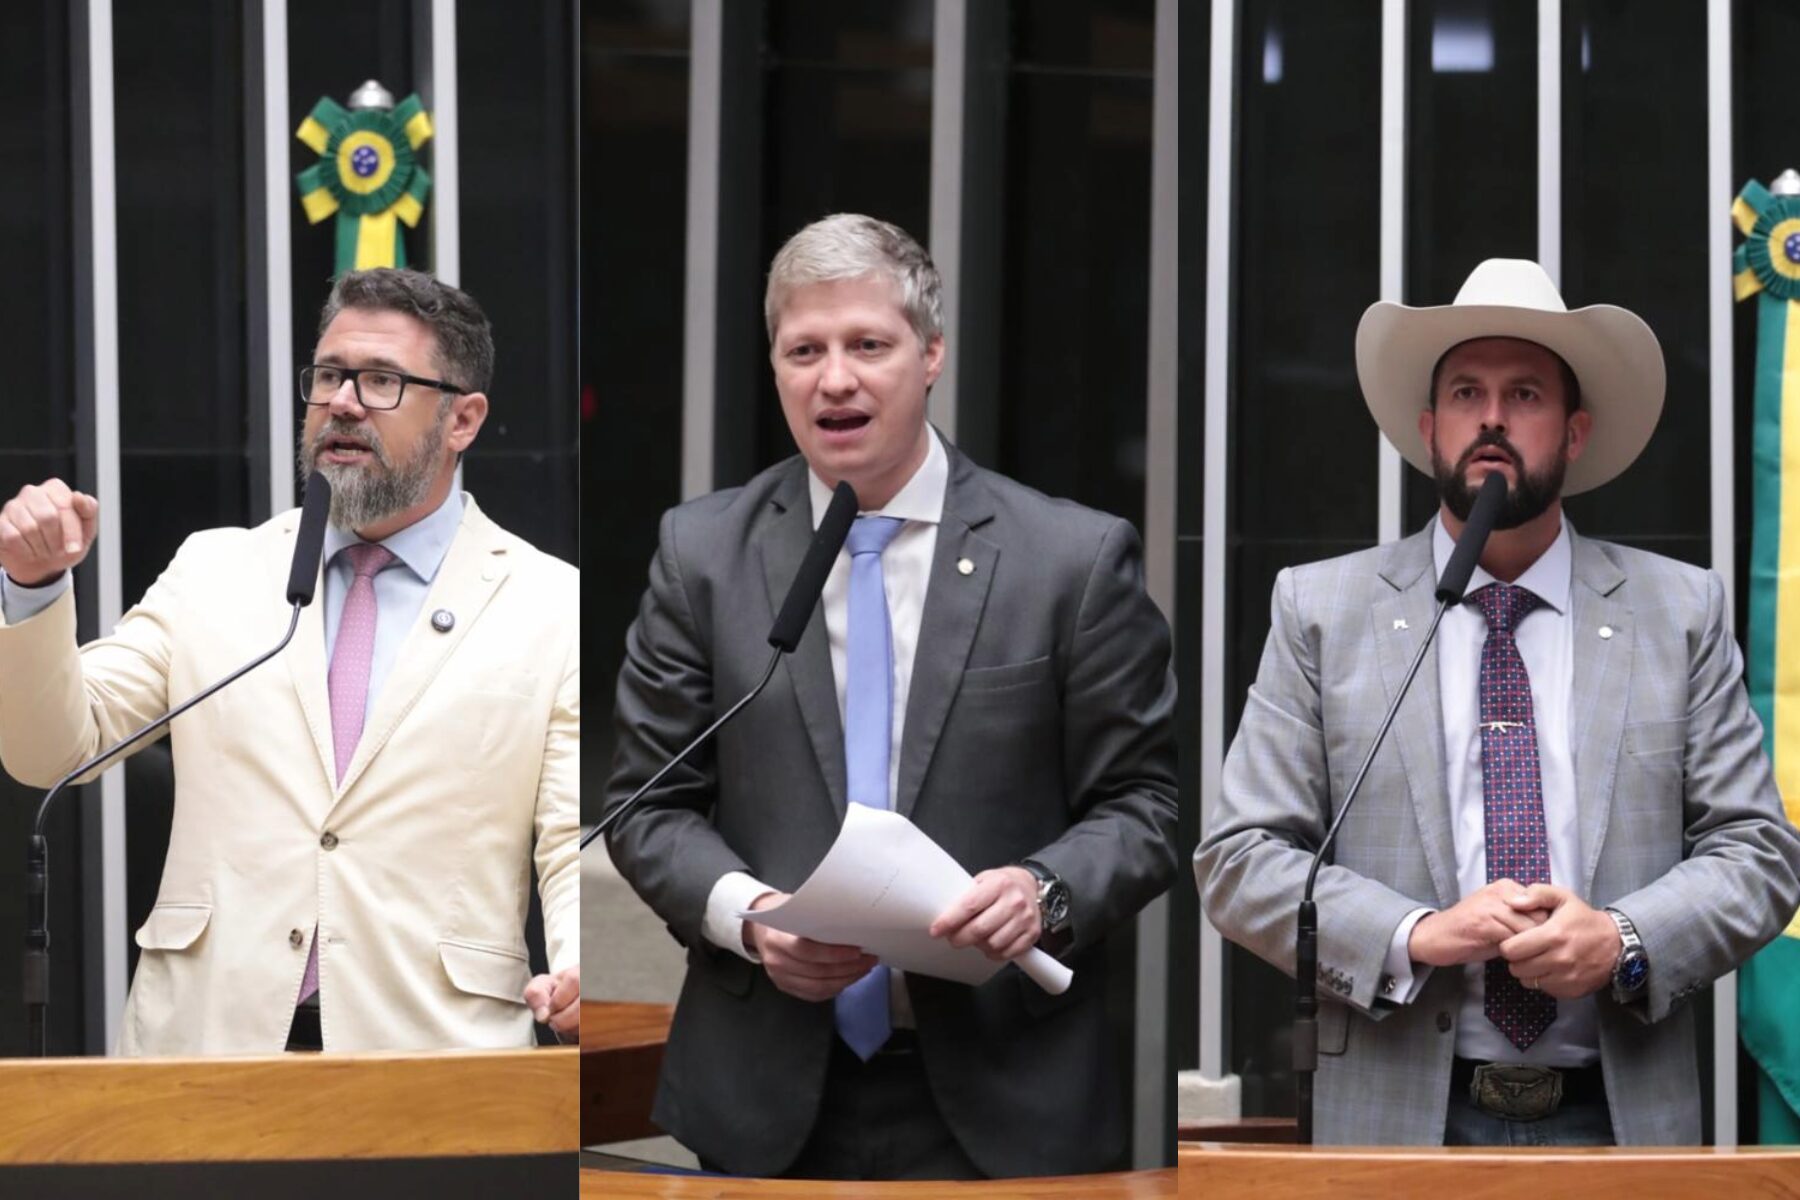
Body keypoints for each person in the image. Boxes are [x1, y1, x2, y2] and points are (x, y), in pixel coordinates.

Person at [604, 213, 1178, 1179]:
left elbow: (1147, 809)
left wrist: (1041, 891)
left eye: (869, 344)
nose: (836, 378)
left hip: (1006, 1099)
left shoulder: (1069, 561)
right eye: (805, 350)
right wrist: (750, 917)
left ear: (931, 355)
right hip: (766, 1100)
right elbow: (647, 804)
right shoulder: (701, 556)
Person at [1195, 259, 1800, 1146]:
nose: (1491, 417)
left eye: (1524, 395)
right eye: (1467, 392)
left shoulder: (1680, 612)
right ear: (1428, 426)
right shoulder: (1321, 610)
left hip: (1620, 1125)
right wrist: (1418, 932)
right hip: (1396, 1125)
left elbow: (1758, 855)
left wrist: (1624, 939)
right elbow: (1240, 860)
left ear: (1576, 431)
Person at [0, 268, 580, 1054]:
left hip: (435, 1060)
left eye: (381, 381)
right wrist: (32, 590)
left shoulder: (547, 603)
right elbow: (52, 748)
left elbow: (569, 837)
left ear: (462, 420)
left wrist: (580, 969)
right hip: (208, 1047)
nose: (342, 401)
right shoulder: (217, 570)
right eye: (331, 376)